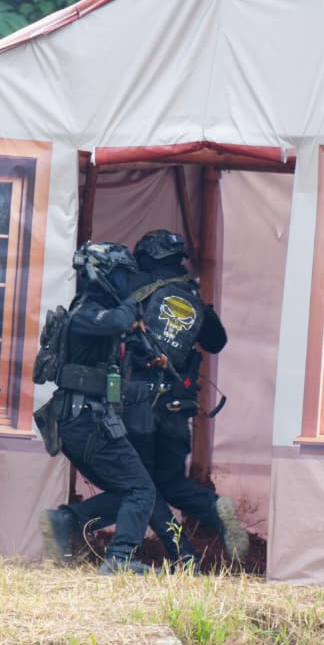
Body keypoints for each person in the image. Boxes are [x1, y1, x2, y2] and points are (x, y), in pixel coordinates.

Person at [43, 230, 249, 570]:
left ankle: (175, 555)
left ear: (144, 257)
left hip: (135, 407)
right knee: (165, 483)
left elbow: (115, 326)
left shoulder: (130, 289)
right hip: (177, 408)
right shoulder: (190, 294)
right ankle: (207, 514)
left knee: (142, 487)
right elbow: (217, 341)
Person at [38, 241, 158, 575]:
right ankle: (119, 559)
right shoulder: (88, 312)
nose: (127, 283)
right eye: (123, 275)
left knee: (128, 490)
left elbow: (110, 367)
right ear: (103, 273)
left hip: (85, 420)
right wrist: (134, 303)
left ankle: (67, 520)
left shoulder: (94, 313)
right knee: (141, 489)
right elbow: (117, 321)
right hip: (86, 421)